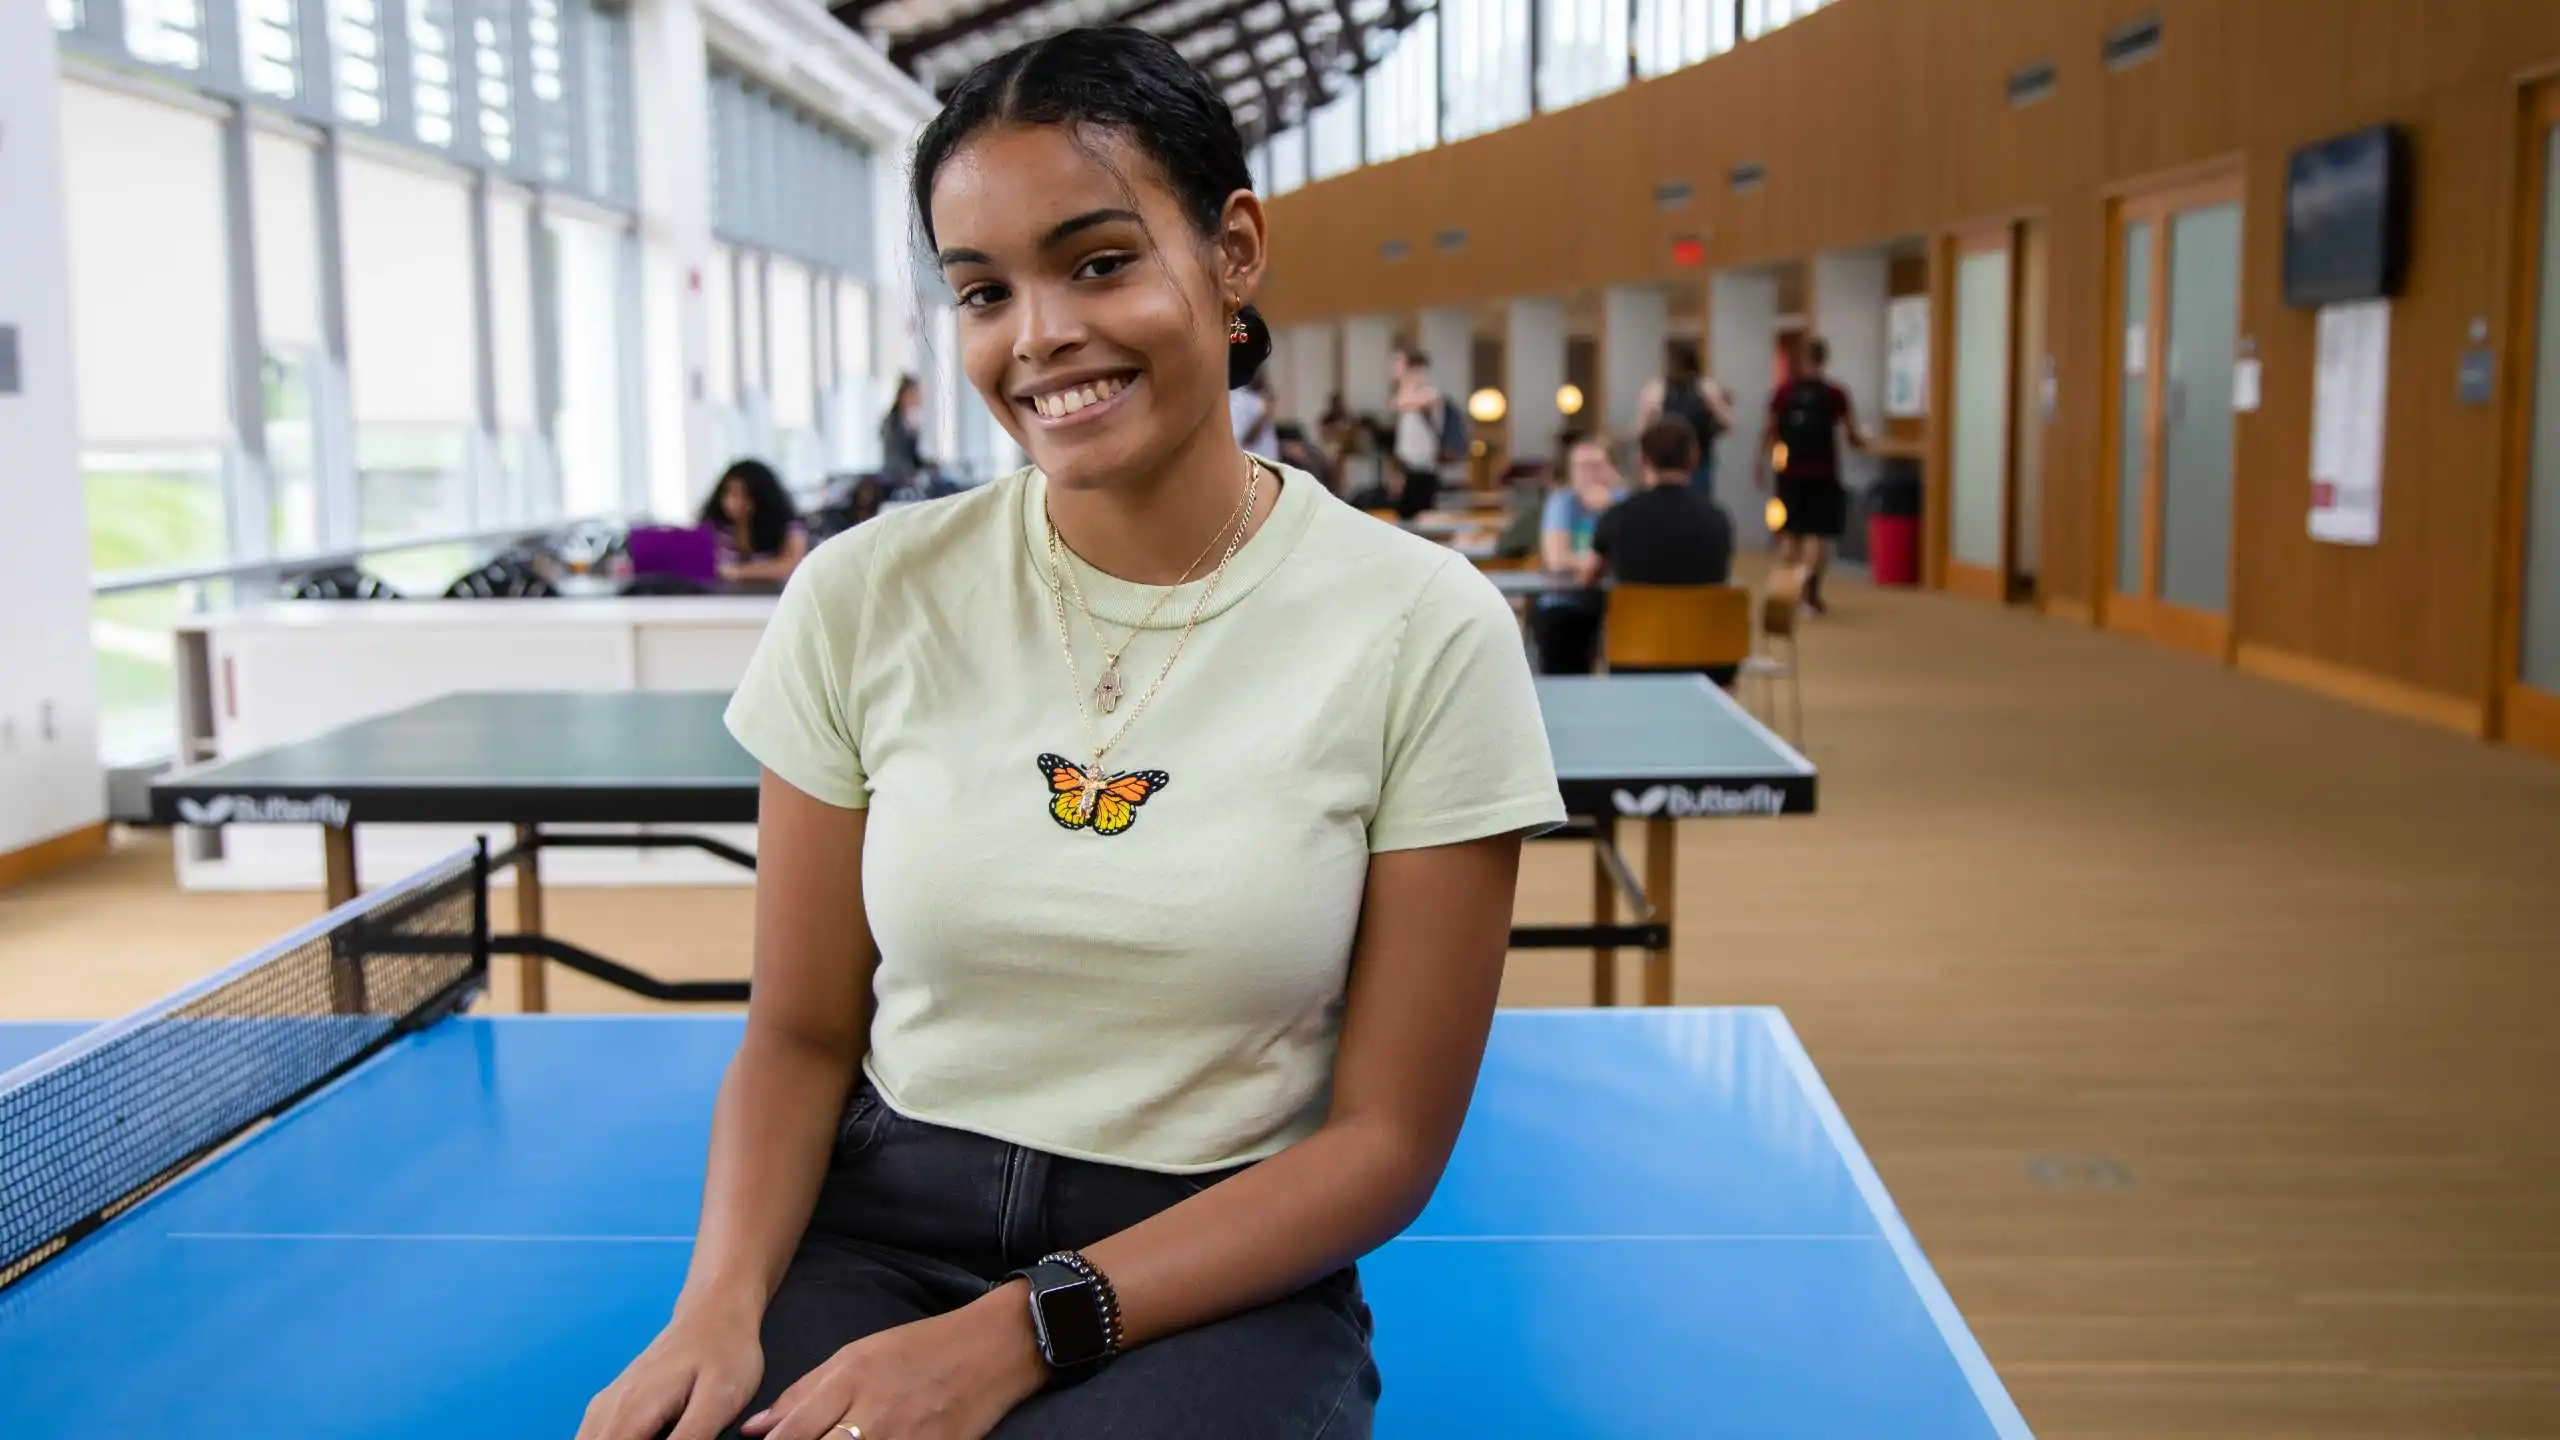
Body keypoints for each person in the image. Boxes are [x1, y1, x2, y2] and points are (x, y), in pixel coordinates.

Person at [577, 27, 1564, 1440]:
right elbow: (799, 1033)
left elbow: (1384, 1145)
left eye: (1098, 262)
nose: (1037, 335)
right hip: (874, 1223)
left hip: (1212, 1256)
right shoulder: (865, 595)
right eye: (984, 290)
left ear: (1233, 252)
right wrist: (719, 1309)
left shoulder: (1425, 629)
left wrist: (1027, 1326)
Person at [1585, 418, 1739, 685]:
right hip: (1710, 659)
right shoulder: (1719, 519)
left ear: (1643, 460)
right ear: (1694, 458)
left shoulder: (1618, 516)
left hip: (1636, 657)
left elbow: (1591, 578)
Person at [1757, 334, 1867, 614]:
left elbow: (1769, 431)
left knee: (1789, 533)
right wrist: (1861, 441)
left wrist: (1760, 463)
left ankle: (1786, 593)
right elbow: (1852, 435)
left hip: (1789, 474)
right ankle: (1809, 595)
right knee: (1816, 535)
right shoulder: (1835, 394)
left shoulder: (1783, 393)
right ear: (1823, 359)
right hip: (1823, 473)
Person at [1524, 432, 1626, 676]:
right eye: (1580, 467)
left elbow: (1629, 560)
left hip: (1615, 602)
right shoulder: (1561, 501)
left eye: (1595, 466)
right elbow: (1557, 560)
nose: (1587, 474)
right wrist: (1595, 563)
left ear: (1612, 469)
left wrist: (1609, 511)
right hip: (1565, 599)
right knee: (1558, 626)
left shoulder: (1623, 503)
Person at [1636, 346, 1737, 492]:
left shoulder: (1704, 388)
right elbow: (1641, 429)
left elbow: (1728, 422)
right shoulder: (1658, 389)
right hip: (1667, 462)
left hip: (1695, 462)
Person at [699, 459, 809, 584]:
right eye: (728, 492)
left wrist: (739, 572)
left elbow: (791, 566)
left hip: (773, 599)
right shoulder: (716, 528)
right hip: (724, 600)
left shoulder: (790, 528)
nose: (733, 501)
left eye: (742, 494)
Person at [880, 375, 932, 488]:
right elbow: (895, 457)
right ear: (905, 395)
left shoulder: (911, 421)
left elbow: (913, 457)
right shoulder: (892, 422)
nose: (920, 398)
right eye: (916, 393)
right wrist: (911, 475)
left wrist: (929, 465)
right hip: (896, 479)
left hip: (909, 477)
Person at [1229, 370, 1276, 455]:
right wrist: (1266, 414)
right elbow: (1245, 438)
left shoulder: (1259, 399)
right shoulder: (1243, 400)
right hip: (1254, 461)